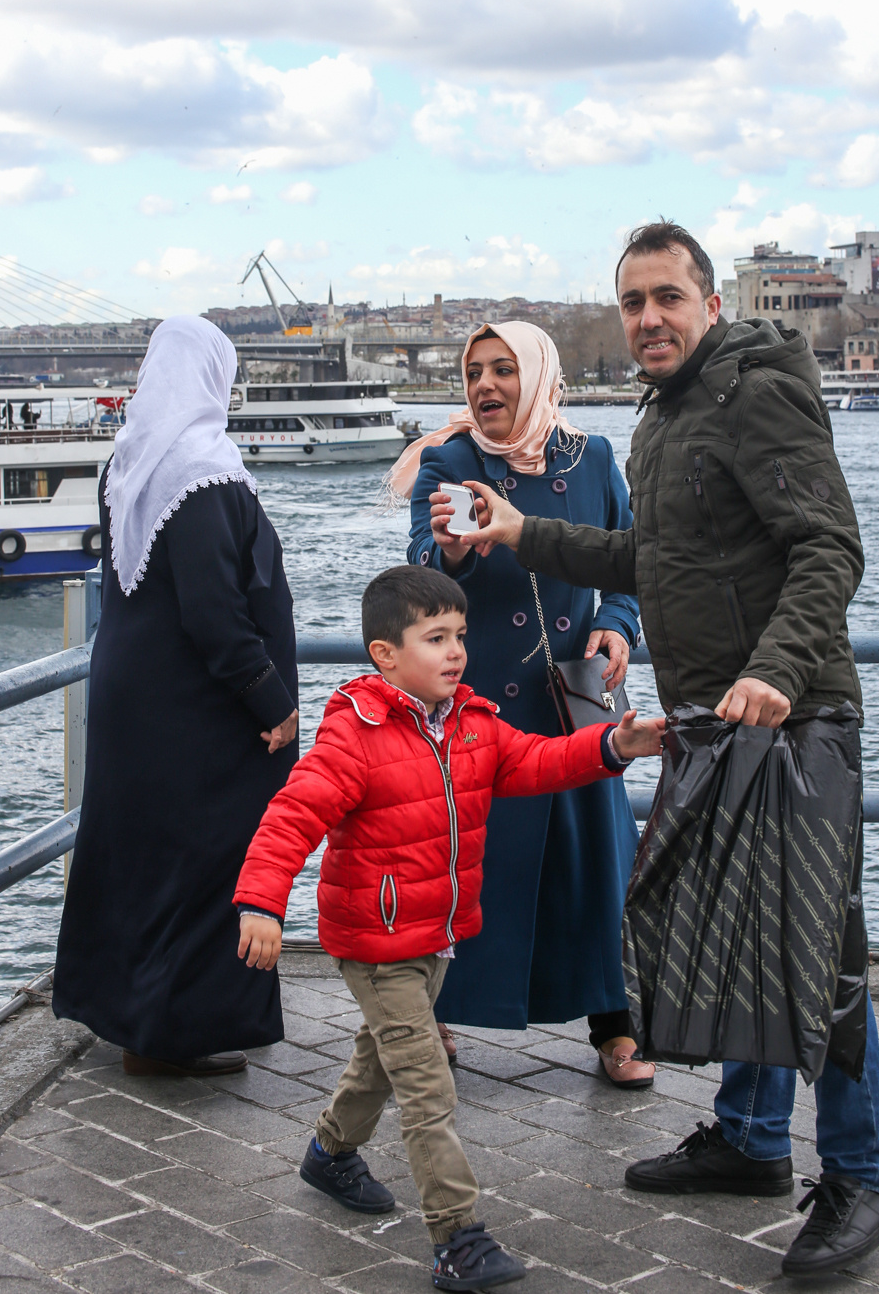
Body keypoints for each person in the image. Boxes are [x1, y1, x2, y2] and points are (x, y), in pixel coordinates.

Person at [457, 222, 879, 1280]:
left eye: (665, 297)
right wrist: (518, 532)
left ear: (708, 302)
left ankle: (863, 1177)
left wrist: (780, 672)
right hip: (712, 719)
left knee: (819, 956)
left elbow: (828, 544)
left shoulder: (754, 390)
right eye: (631, 302)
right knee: (744, 934)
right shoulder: (667, 412)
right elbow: (646, 556)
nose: (647, 318)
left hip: (792, 721)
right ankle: (751, 1140)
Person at [234, 564, 664, 1292]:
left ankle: (330, 1154)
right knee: (426, 1087)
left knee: (380, 1057)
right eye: (436, 638)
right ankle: (457, 1237)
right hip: (374, 942)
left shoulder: (472, 722)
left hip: (437, 935)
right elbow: (291, 818)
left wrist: (614, 746)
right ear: (386, 655)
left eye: (460, 635)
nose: (457, 650)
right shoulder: (355, 735)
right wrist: (261, 904)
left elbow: (537, 760)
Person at [386, 321, 650, 1088]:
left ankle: (616, 1020)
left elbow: (631, 564)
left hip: (572, 696)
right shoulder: (452, 459)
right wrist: (453, 556)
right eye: (474, 371)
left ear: (537, 374)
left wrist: (615, 624)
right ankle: (433, 1009)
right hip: (475, 699)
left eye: (504, 370)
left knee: (595, 863)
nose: (487, 386)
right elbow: (416, 573)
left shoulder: (591, 457)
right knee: (458, 865)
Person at [53, 315, 299, 1075]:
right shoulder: (199, 472)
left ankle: (130, 1015)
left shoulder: (129, 462)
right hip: (194, 708)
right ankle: (170, 1034)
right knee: (204, 859)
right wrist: (272, 701)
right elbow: (214, 614)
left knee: (137, 851)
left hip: (134, 692)